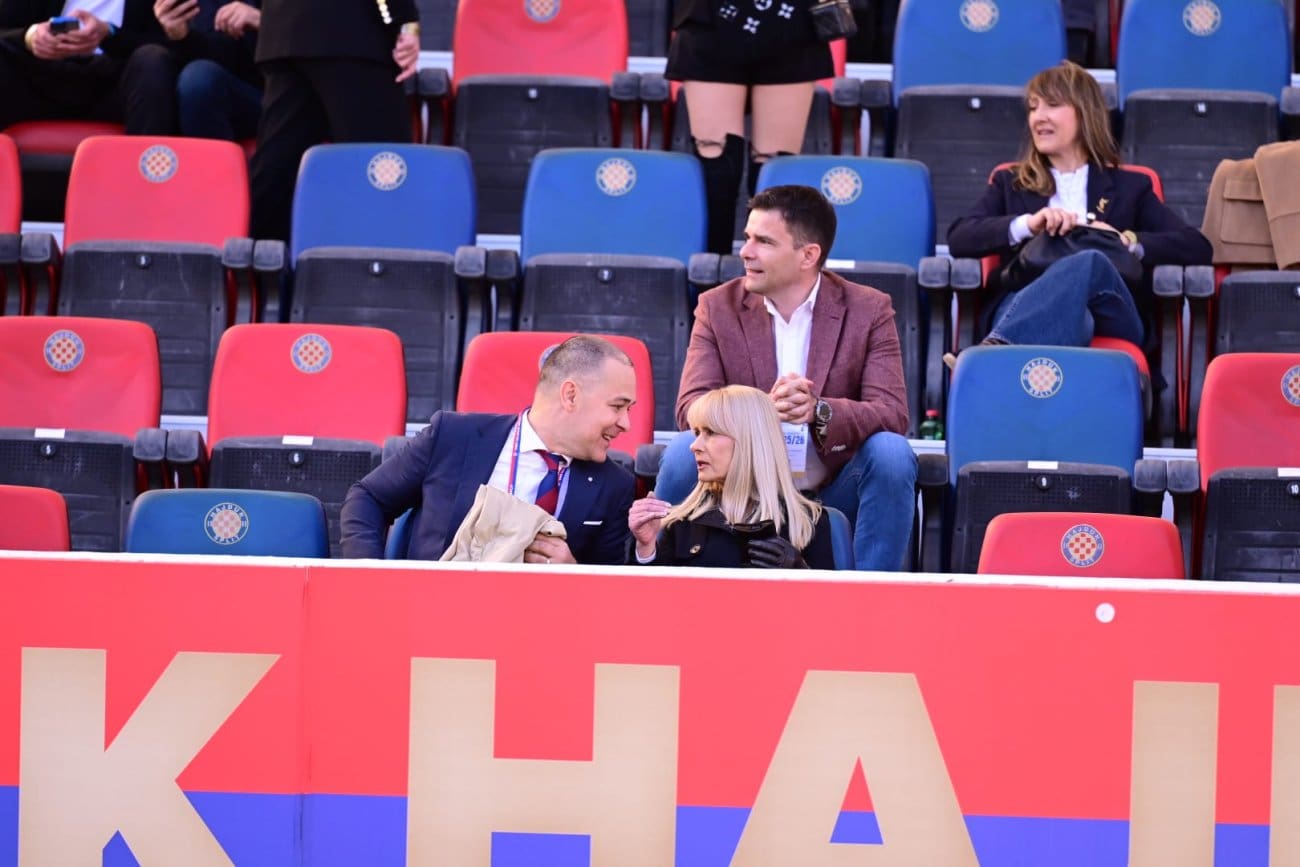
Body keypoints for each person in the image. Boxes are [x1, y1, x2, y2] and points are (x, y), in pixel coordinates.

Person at [655, 184, 917, 571]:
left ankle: (868, 596)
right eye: (748, 237)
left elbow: (892, 414)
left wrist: (819, 411)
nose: (746, 251)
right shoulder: (716, 307)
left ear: (808, 255)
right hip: (741, 490)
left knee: (892, 454)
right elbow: (690, 407)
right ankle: (662, 579)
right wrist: (759, 410)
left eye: (763, 241)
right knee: (682, 450)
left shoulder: (869, 309)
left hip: (832, 491)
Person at [946, 60, 1212, 359]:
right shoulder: (1011, 183)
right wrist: (1028, 224)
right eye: (1033, 108)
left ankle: (992, 360)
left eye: (1052, 105)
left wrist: (1125, 240)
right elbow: (959, 238)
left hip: (1112, 310)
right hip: (1026, 300)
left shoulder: (1130, 187)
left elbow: (1197, 247)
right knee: (1077, 321)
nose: (1038, 117)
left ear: (1085, 113)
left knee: (1091, 260)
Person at [339, 335, 637, 566]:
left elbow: (607, 598)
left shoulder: (615, 486)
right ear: (570, 396)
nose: (626, 424)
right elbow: (368, 497)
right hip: (434, 615)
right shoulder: (453, 436)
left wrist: (572, 574)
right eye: (617, 407)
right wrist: (371, 579)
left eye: (629, 409)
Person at [666, 0, 834, 254]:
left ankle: (767, 271)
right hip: (711, 21)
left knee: (774, 172)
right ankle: (711, 270)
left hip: (792, 21)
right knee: (717, 166)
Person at [248, 0, 419, 243]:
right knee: (380, 169)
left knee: (278, 169)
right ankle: (380, 263)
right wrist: (404, 22)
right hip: (351, 31)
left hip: (284, 31)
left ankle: (265, 261)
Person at [630, 385, 835, 569]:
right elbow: (651, 597)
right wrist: (645, 549)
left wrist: (799, 571)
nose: (694, 446)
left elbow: (829, 600)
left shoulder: (808, 522)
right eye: (697, 433)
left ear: (750, 440)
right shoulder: (682, 522)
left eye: (710, 432)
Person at [0, 0, 174, 133]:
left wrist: (110, 34)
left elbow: (172, 45)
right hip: (40, 76)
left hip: (117, 81)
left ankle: (144, 166)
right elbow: (5, 29)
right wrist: (31, 36)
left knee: (153, 60)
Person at [122, 0, 260, 139]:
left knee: (198, 79)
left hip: (262, 93)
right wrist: (182, 38)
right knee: (162, 67)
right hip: (193, 88)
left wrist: (261, 20)